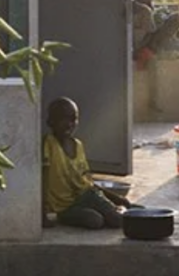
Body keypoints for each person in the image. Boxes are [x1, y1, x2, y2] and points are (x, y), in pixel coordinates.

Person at [41, 97, 129, 229]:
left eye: (73, 119)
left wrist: (116, 198)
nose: (70, 124)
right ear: (51, 121)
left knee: (117, 220)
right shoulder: (48, 145)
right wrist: (42, 214)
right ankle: (108, 212)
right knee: (95, 221)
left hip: (86, 196)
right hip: (64, 207)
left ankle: (118, 210)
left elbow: (88, 184)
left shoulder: (78, 145)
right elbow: (43, 180)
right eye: (64, 119)